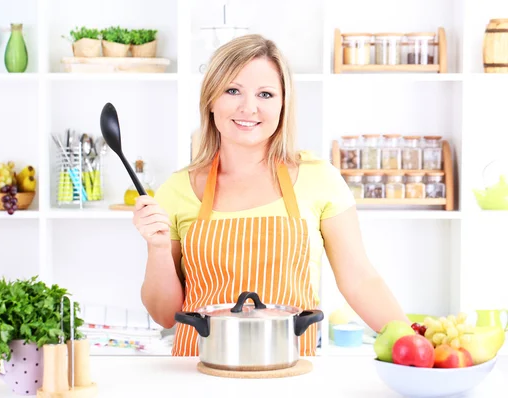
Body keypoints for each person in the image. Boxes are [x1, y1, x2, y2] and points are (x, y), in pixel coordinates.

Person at [133, 34, 409, 356]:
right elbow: (164, 314)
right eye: (232, 90)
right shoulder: (178, 189)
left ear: (282, 104)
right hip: (198, 373)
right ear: (211, 100)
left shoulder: (319, 179)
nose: (249, 107)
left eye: (265, 94)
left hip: (290, 373)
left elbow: (360, 281)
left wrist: (414, 341)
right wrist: (157, 247)